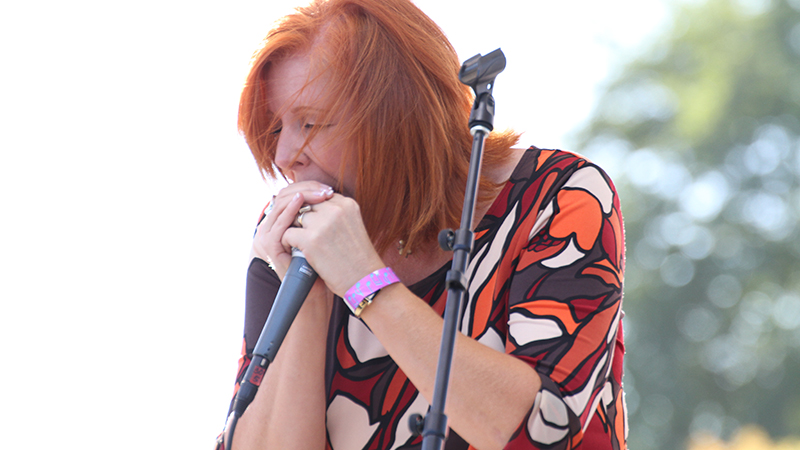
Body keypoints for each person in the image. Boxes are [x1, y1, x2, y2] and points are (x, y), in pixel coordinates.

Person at [216, 0, 627, 449]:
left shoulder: (559, 196)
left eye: (310, 124)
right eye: (276, 129)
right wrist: (309, 300)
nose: (283, 157)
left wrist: (363, 281)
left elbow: (545, 430)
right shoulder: (286, 240)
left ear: (398, 115)